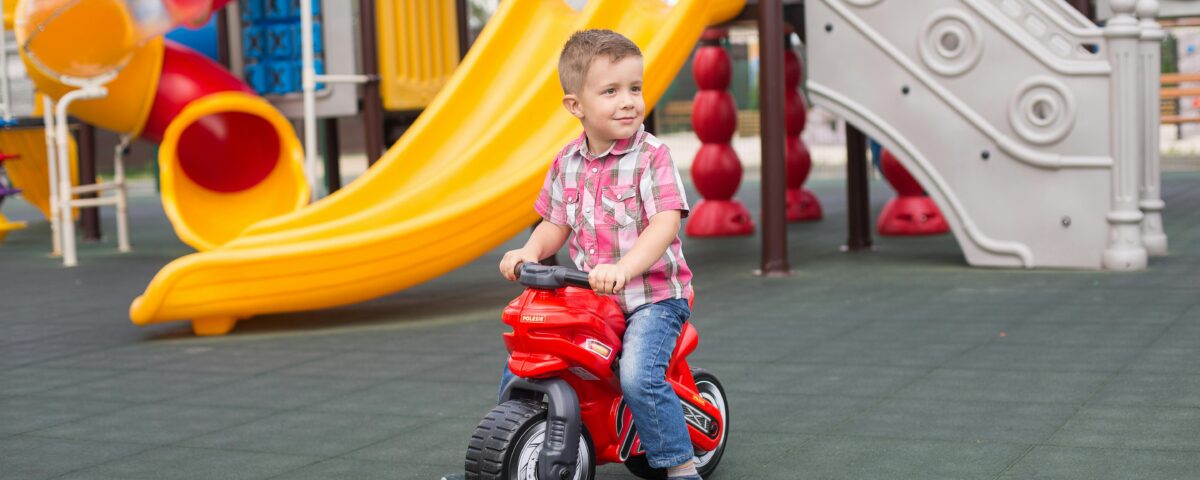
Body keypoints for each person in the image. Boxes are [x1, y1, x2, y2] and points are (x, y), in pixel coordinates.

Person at [495, 29, 700, 480]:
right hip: (595, 297)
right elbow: (554, 224)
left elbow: (665, 222)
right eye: (610, 92)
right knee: (524, 360)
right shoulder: (566, 162)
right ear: (576, 106)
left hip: (655, 299)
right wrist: (528, 251)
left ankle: (681, 467)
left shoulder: (652, 156)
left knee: (637, 377)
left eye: (634, 88)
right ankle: (509, 445)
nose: (628, 101)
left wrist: (625, 268)